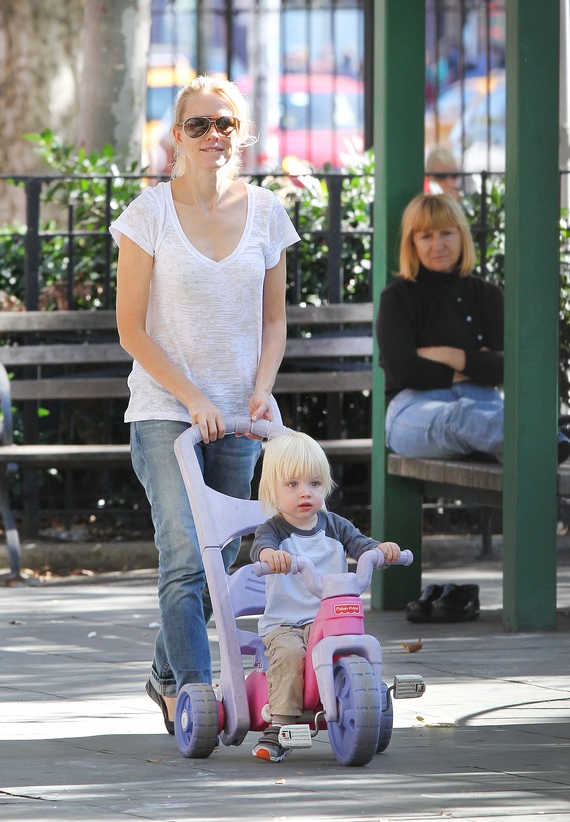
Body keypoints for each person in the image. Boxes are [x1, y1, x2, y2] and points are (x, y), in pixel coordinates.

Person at [110, 75, 300, 733]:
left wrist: (262, 385)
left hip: (239, 415)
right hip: (168, 412)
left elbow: (274, 321)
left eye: (225, 123)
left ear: (240, 132)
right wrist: (191, 398)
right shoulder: (149, 214)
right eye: (199, 124)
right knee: (187, 555)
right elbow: (131, 328)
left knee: (224, 557)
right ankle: (193, 693)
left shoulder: (268, 212)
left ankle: (165, 669)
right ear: (176, 135)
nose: (213, 135)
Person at [375, 193, 569, 622]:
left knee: (485, 417)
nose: (437, 244)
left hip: (486, 409)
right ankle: (547, 447)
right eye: (425, 235)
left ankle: (537, 448)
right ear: (412, 242)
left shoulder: (486, 294)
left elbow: (510, 366)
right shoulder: (398, 298)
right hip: (413, 413)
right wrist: (474, 360)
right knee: (467, 419)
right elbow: (406, 370)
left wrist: (450, 357)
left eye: (446, 232)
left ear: (461, 237)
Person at [248, 431, 401, 763]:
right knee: (290, 655)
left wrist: (380, 551)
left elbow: (362, 546)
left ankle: (367, 704)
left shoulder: (336, 526)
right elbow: (260, 550)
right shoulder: (273, 530)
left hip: (329, 620)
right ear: (272, 490)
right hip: (286, 623)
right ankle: (281, 724)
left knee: (356, 642)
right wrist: (270, 557)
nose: (305, 492)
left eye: (314, 484)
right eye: (293, 485)